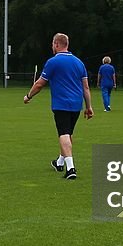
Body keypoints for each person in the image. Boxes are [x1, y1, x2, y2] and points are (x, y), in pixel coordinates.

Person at [23, 33, 93, 180]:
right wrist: (89, 107)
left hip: (61, 104)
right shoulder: (79, 63)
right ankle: (60, 162)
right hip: (76, 105)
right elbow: (86, 88)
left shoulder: (53, 62)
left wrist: (28, 96)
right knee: (68, 133)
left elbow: (40, 83)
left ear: (56, 44)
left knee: (63, 134)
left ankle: (71, 168)